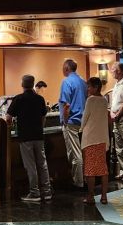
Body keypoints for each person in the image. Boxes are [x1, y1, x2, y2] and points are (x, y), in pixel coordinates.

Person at [7, 74, 52, 203]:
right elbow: (43, 117)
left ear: (22, 84)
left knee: (30, 165)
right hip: (38, 135)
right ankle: (47, 192)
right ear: (33, 84)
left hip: (25, 136)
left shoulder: (18, 99)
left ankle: (34, 192)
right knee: (42, 164)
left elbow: (8, 117)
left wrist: (12, 125)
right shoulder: (40, 99)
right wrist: (40, 128)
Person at [59, 58, 87, 190]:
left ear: (67, 68)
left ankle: (79, 182)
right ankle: (84, 178)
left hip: (71, 121)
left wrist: (65, 121)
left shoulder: (66, 82)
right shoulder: (83, 81)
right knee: (81, 152)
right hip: (83, 121)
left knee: (75, 154)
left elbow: (66, 105)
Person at [80, 77, 109, 205]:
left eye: (89, 86)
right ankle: (104, 196)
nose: (88, 89)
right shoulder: (104, 100)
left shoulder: (90, 100)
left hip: (91, 138)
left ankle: (91, 197)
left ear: (96, 87)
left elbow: (85, 118)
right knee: (103, 169)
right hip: (102, 138)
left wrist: (81, 128)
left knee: (90, 170)